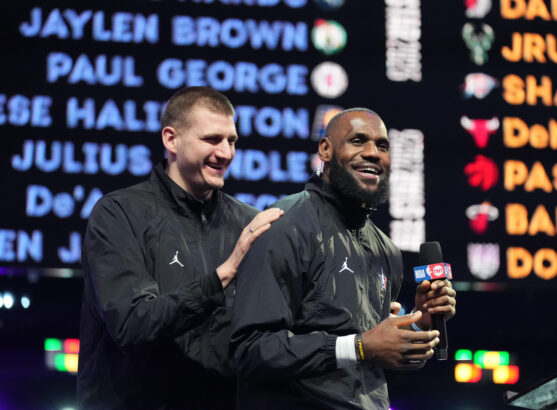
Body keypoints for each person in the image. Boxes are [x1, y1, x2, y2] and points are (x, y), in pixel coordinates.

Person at [230, 108, 456, 409]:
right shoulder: (286, 225)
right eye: (358, 141)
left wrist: (416, 325)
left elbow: (373, 368)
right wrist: (359, 347)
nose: (373, 153)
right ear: (325, 150)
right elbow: (249, 350)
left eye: (382, 146)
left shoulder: (386, 250)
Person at [77, 86, 283, 409]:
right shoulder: (118, 214)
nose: (226, 153)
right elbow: (131, 322)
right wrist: (223, 276)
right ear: (171, 139)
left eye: (232, 141)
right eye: (212, 139)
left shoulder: (248, 223)